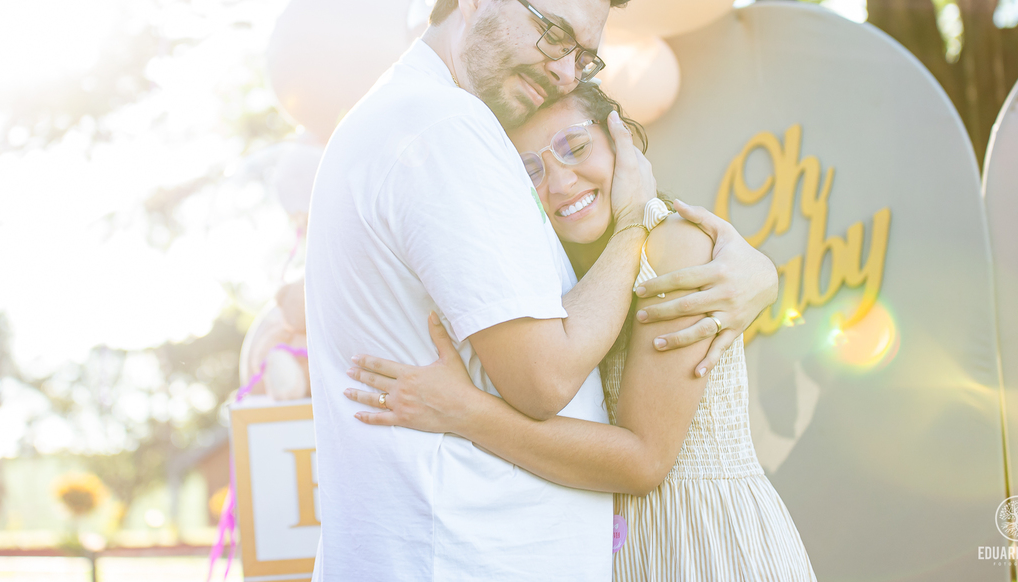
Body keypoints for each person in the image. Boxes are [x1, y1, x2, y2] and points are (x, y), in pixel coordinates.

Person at [304, 0, 778, 581]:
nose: (563, 70)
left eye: (583, 57)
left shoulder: (426, 119)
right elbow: (545, 379)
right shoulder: (441, 128)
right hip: (456, 558)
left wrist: (754, 269)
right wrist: (633, 222)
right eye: (555, 34)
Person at [345, 84, 817, 581]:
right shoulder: (549, 272)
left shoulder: (673, 247)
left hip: (701, 542)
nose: (561, 181)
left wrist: (464, 412)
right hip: (609, 548)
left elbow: (643, 461)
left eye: (575, 146)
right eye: (530, 169)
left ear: (621, 140)